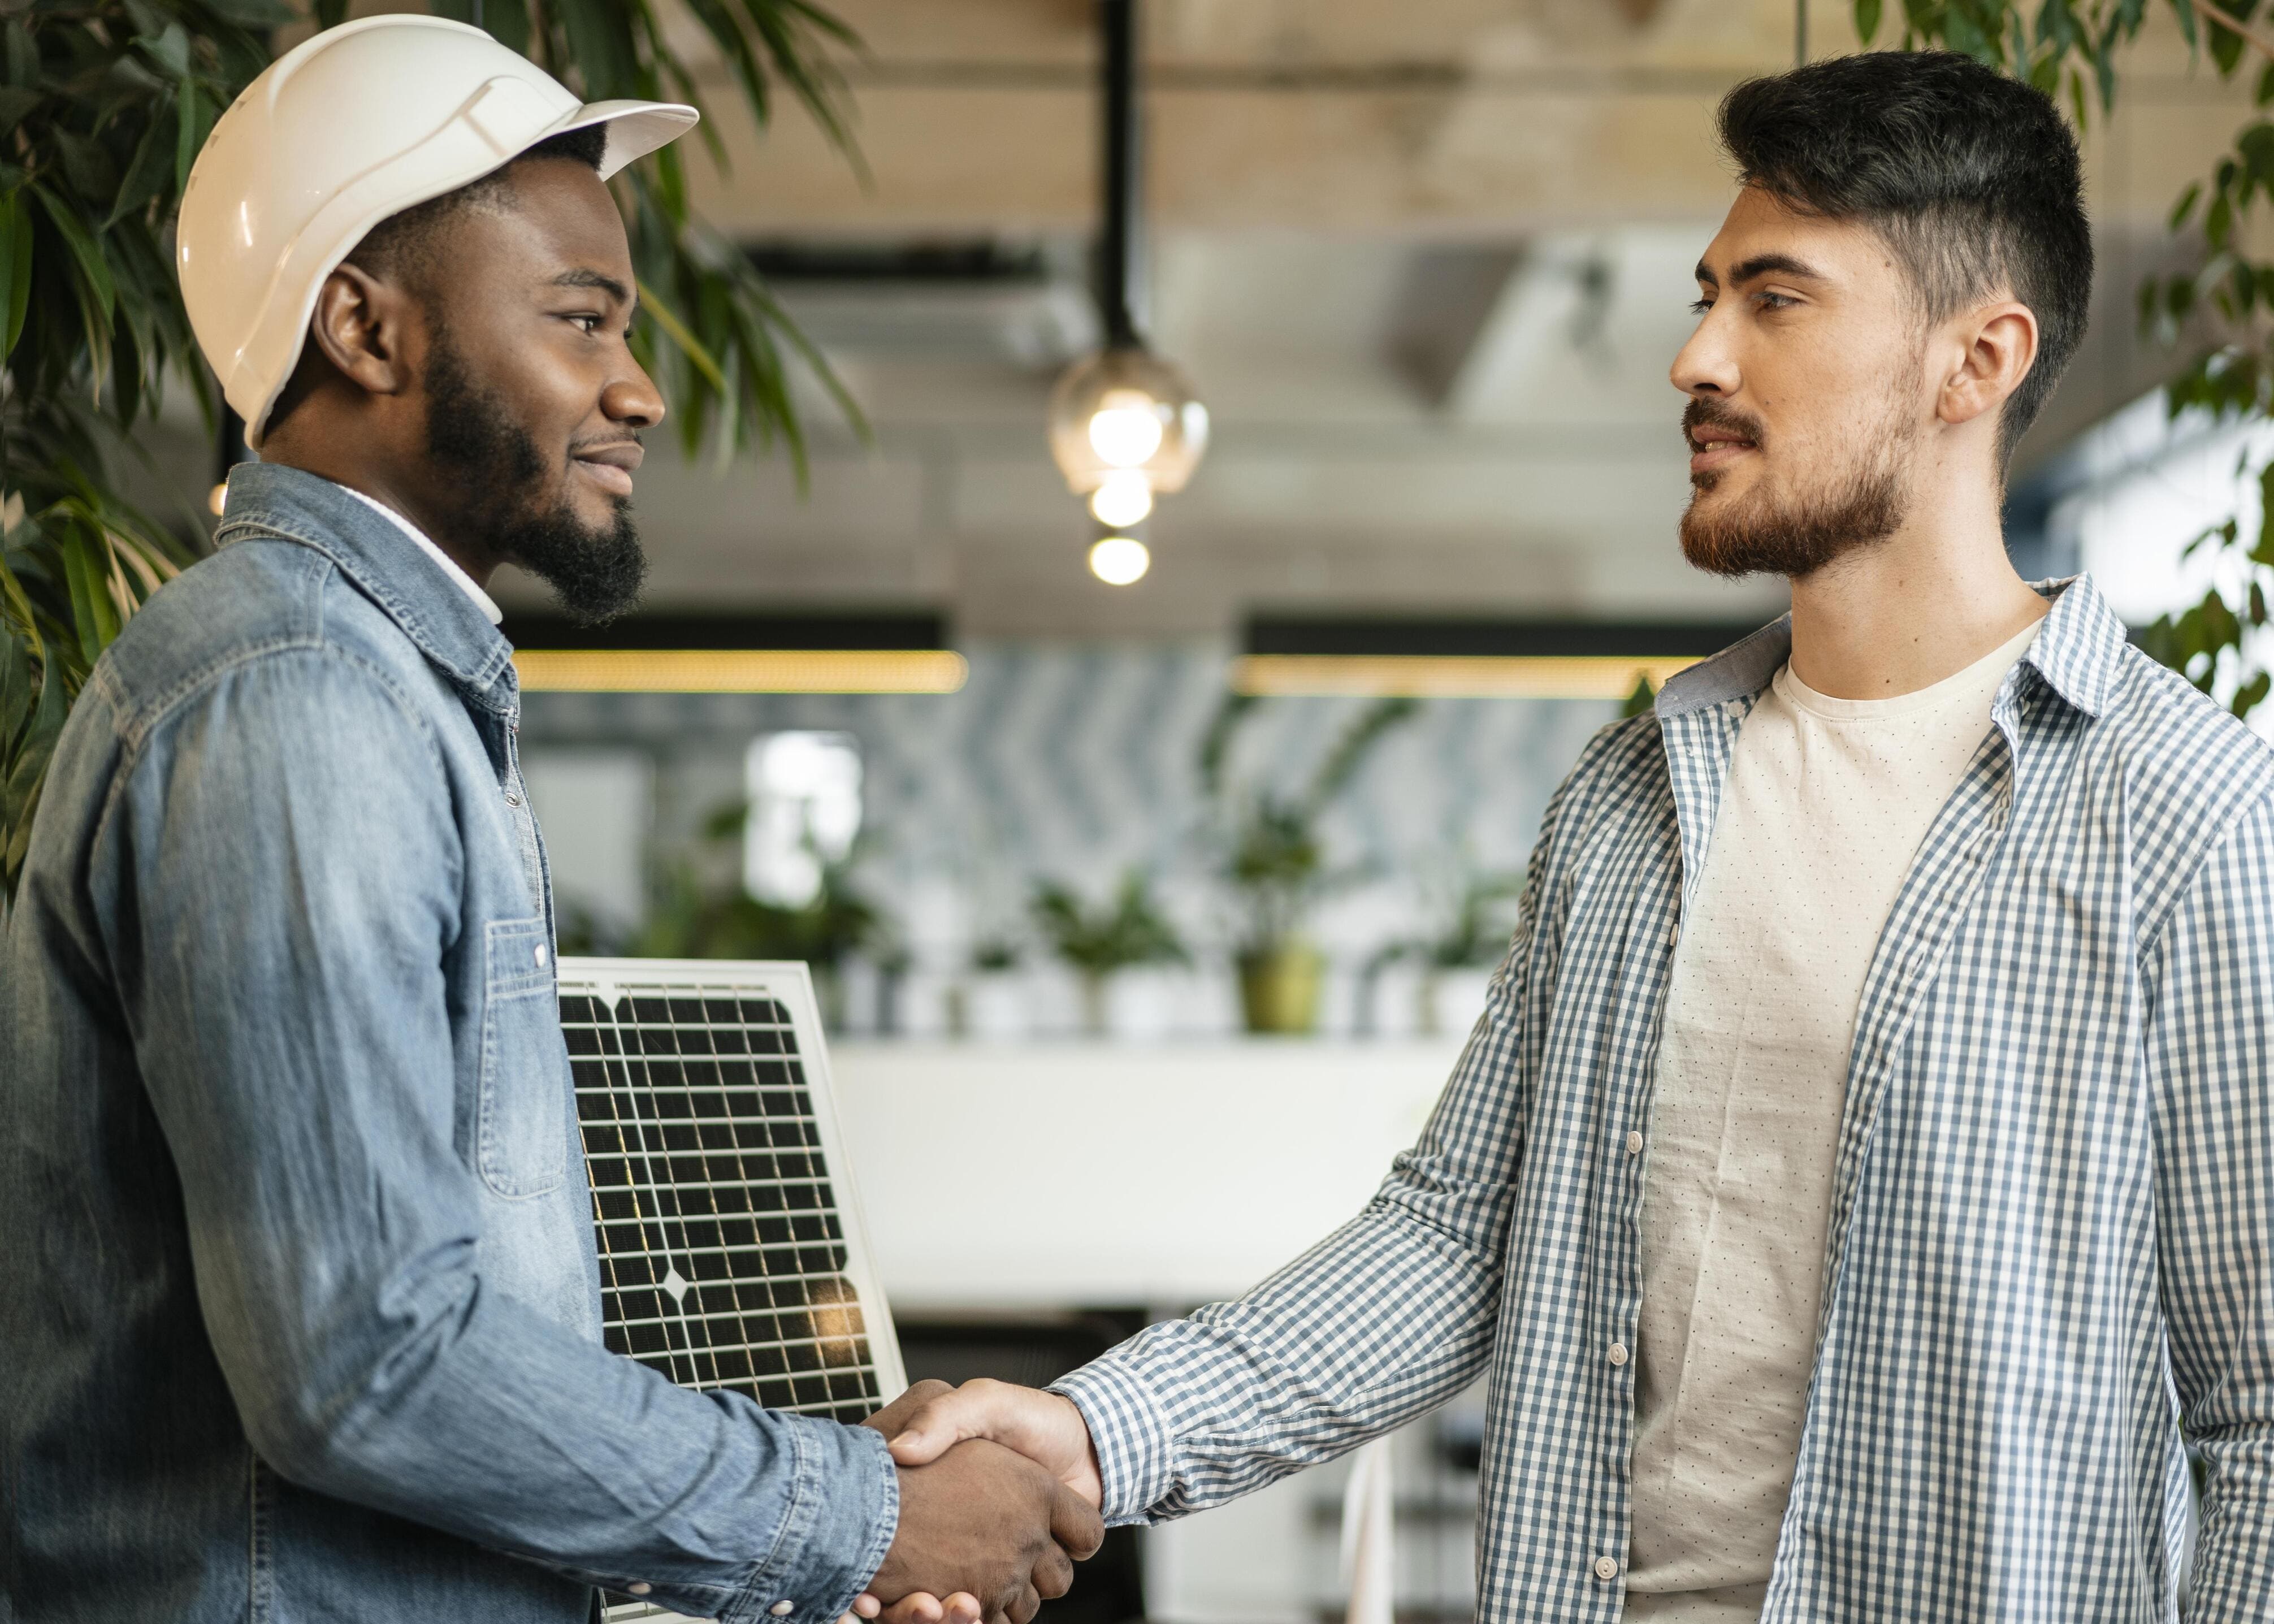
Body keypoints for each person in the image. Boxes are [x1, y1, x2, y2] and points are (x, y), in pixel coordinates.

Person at [864, 51, 2274, 1624]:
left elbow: (2266, 1413)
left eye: (1776, 299)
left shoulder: (2182, 816)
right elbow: (1456, 1235)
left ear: (1976, 360)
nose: (1693, 353)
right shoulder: (1631, 797)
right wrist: (1087, 1430)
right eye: (1705, 293)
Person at [0, 18, 1097, 1624]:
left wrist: (786, 1505)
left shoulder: (373, 689)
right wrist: (855, 1515)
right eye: (580, 319)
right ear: (365, 331)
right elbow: (365, 1360)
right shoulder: (295, 694)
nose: (640, 389)